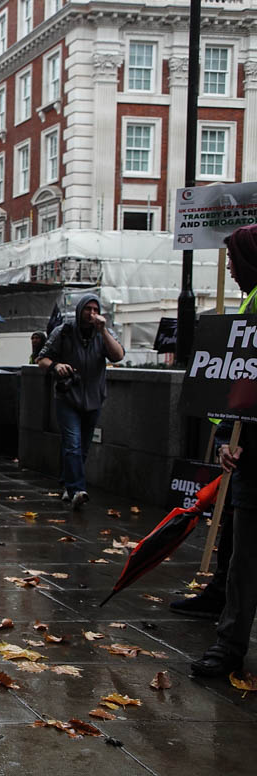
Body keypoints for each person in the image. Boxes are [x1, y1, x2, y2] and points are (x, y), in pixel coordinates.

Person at [191, 224, 257, 677]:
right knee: (244, 559)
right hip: (251, 454)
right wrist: (231, 438)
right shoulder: (248, 305)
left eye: (234, 261)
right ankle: (229, 645)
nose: (229, 270)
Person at [36, 293, 125, 508]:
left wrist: (103, 331)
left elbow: (118, 355)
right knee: (73, 444)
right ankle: (78, 489)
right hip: (67, 397)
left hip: (94, 398)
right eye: (88, 309)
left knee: (82, 447)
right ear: (80, 310)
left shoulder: (103, 334)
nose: (92, 314)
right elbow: (41, 358)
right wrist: (56, 366)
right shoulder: (64, 332)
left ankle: (68, 484)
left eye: (96, 310)